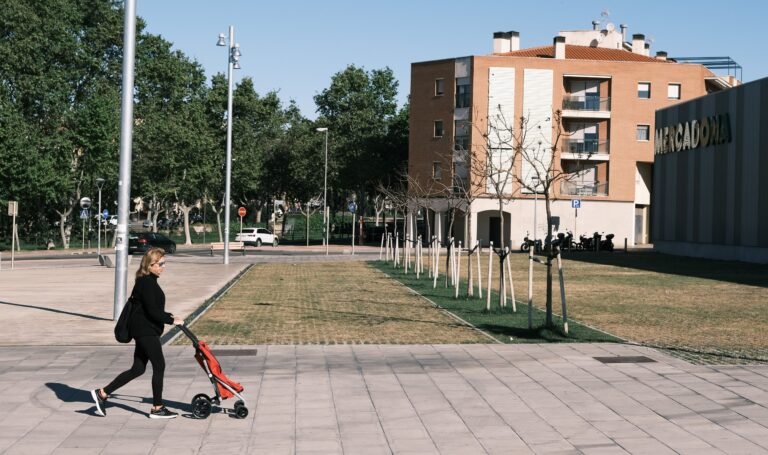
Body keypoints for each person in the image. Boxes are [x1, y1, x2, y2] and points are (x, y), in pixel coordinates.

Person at [91, 247, 183, 419]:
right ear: (150, 265)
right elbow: (152, 312)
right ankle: (157, 407)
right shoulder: (146, 282)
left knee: (138, 369)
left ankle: (102, 393)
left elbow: (151, 309)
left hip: (144, 329)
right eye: (161, 264)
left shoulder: (147, 281)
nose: (164, 267)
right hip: (145, 331)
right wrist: (172, 320)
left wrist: (168, 315)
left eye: (165, 263)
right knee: (159, 365)